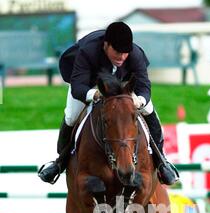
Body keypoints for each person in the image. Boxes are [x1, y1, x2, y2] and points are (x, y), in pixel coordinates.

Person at [38, 21, 179, 186]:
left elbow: (144, 86)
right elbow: (78, 87)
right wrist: (95, 94)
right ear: (106, 45)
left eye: (125, 53)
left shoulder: (135, 55)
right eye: (117, 52)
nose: (122, 57)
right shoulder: (88, 51)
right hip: (88, 83)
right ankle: (59, 163)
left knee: (148, 109)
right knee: (71, 116)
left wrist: (139, 100)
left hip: (123, 85)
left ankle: (161, 161)